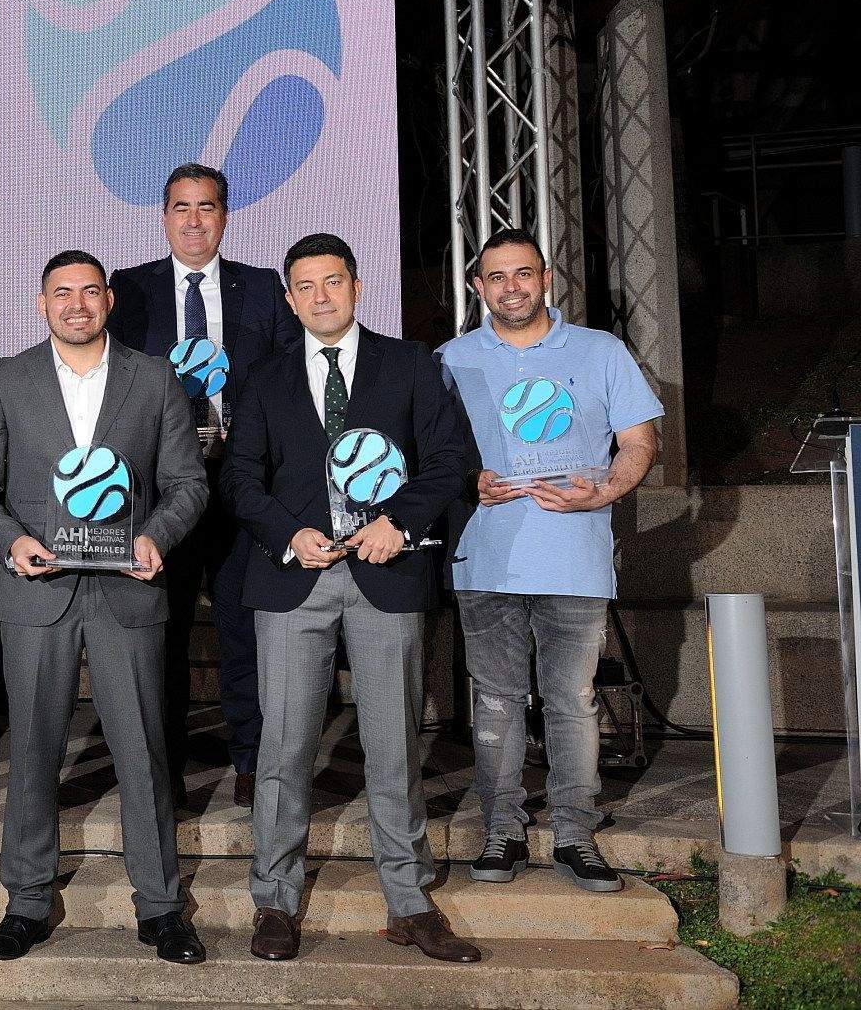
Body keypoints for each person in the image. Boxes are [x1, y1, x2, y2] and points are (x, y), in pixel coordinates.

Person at [220, 233, 478, 965]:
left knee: (394, 746)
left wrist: (400, 523)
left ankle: (409, 899)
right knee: (284, 747)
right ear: (290, 296)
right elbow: (241, 479)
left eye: (332, 282)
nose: (320, 297)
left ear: (357, 287)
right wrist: (286, 534)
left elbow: (448, 461)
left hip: (385, 575)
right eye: (305, 286)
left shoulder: (409, 365)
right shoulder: (265, 378)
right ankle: (274, 900)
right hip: (293, 578)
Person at [0, 251, 209, 965]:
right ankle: (28, 901)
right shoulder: (7, 379)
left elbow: (187, 482)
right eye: (61, 293)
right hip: (38, 587)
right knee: (33, 750)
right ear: (41, 305)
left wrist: (158, 535)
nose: (76, 304)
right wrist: (12, 543)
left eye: (89, 292)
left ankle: (160, 907)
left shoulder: (153, 377)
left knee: (143, 752)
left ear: (109, 301)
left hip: (128, 585)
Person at [438, 227, 662, 892]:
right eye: (497, 277)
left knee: (571, 700)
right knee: (499, 703)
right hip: (486, 560)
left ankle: (574, 832)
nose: (512, 287)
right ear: (478, 287)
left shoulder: (600, 352)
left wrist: (610, 489)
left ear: (546, 279)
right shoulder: (450, 359)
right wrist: (465, 481)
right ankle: (502, 828)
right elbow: (431, 457)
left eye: (524, 274)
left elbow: (639, 441)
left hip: (574, 559)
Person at [109, 162, 300, 810]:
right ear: (164, 216)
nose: (195, 220)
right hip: (163, 493)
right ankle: (162, 766)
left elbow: (289, 378)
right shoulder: (129, 291)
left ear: (225, 215)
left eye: (207, 207)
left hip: (243, 485)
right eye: (182, 208)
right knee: (160, 628)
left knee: (244, 628)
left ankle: (251, 759)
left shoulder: (262, 288)